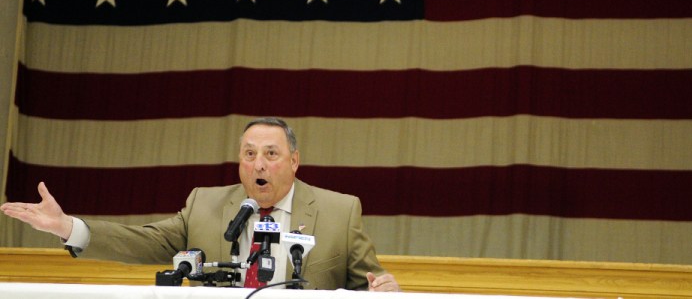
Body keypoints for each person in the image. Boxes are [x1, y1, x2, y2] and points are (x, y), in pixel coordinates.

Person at [1, 117, 400, 292]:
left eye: (271, 154)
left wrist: (388, 291)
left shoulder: (339, 212)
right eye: (248, 154)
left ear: (294, 161)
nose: (258, 164)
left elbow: (371, 284)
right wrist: (68, 227)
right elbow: (144, 242)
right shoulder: (204, 205)